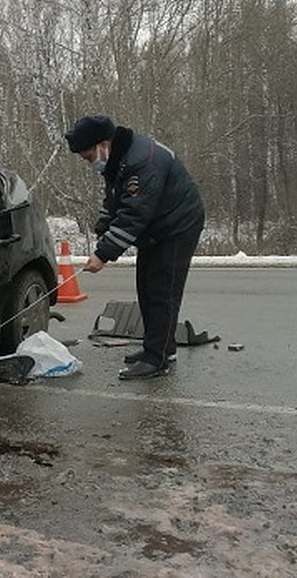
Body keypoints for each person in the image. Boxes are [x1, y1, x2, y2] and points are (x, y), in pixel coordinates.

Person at [64, 115, 205, 380]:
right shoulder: (118, 158)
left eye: (87, 157)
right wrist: (103, 229)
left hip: (177, 225)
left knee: (162, 290)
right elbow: (115, 200)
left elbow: (134, 214)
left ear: (103, 144)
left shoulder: (142, 162)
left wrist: (103, 254)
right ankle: (161, 347)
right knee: (146, 286)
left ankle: (157, 358)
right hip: (156, 226)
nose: (88, 163)